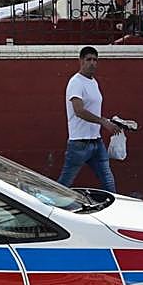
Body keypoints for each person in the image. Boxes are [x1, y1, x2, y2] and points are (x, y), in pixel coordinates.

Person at [59, 46, 123, 192]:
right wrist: (103, 121)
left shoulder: (94, 82)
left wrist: (110, 121)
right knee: (65, 183)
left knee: (108, 181)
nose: (92, 63)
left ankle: (114, 206)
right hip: (79, 143)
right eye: (89, 59)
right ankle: (48, 205)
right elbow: (79, 111)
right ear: (81, 61)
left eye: (95, 60)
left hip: (96, 140)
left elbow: (93, 109)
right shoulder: (76, 82)